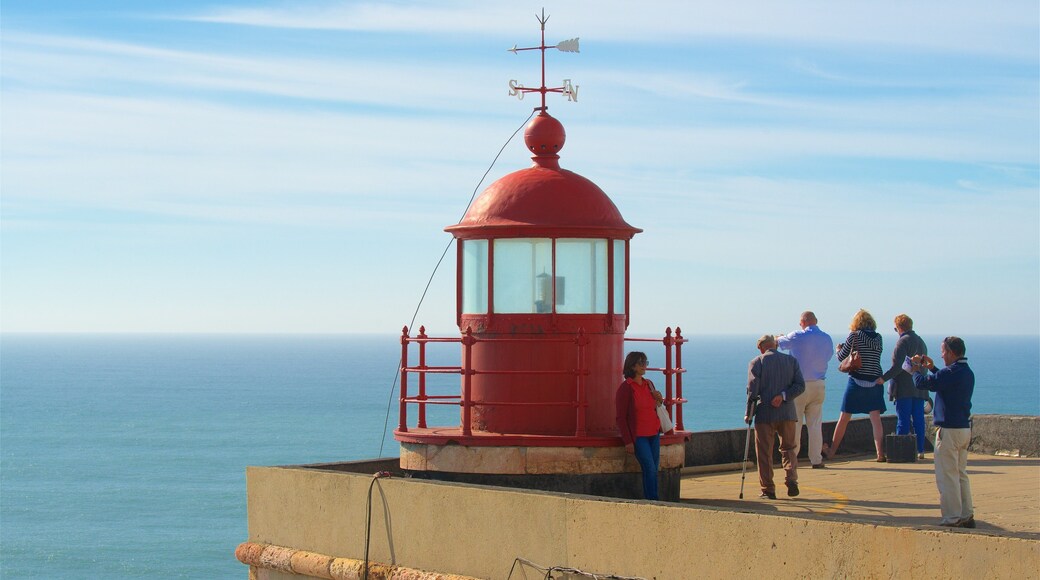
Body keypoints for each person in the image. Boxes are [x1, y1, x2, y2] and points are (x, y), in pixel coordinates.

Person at [911, 337, 976, 528]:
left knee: (947, 475)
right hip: (964, 428)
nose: (941, 355)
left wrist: (915, 369)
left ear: (951, 353)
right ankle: (966, 514)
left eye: (943, 351)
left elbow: (923, 384)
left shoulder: (951, 372)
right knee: (960, 474)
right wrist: (932, 368)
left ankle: (952, 517)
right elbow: (944, 381)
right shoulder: (966, 372)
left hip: (948, 430)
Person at [747, 335, 805, 499]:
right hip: (787, 413)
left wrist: (749, 413)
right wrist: (784, 395)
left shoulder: (757, 362)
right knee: (788, 448)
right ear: (776, 345)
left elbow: (752, 391)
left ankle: (768, 489)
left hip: (765, 413)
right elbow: (800, 386)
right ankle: (791, 478)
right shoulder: (791, 361)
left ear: (761, 348)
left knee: (764, 452)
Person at [825, 309, 886, 462]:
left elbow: (841, 357)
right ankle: (880, 453)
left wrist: (839, 349)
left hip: (857, 381)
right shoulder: (879, 338)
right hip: (875, 381)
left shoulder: (855, 336)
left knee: (844, 417)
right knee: (876, 419)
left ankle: (832, 451)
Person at [777, 311, 833, 468]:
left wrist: (779, 337)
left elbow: (780, 343)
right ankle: (816, 460)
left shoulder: (797, 336)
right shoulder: (826, 338)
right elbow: (828, 356)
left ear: (802, 322)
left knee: (795, 423)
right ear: (816, 321)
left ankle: (792, 459)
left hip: (799, 385)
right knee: (815, 424)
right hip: (819, 383)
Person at [879, 314, 929, 459]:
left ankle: (902, 451)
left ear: (899, 327)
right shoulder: (921, 342)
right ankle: (920, 450)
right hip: (919, 387)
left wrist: (883, 378)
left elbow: (897, 367)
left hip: (904, 388)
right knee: (919, 419)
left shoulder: (902, 342)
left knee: (903, 419)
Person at [615, 351, 663, 500]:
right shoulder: (626, 388)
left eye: (645, 362)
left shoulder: (649, 384)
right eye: (641, 363)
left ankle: (651, 499)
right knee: (649, 468)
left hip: (653, 433)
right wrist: (628, 441)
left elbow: (657, 406)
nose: (644, 366)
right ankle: (653, 500)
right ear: (632, 366)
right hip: (639, 436)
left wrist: (659, 399)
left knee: (653, 469)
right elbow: (621, 417)